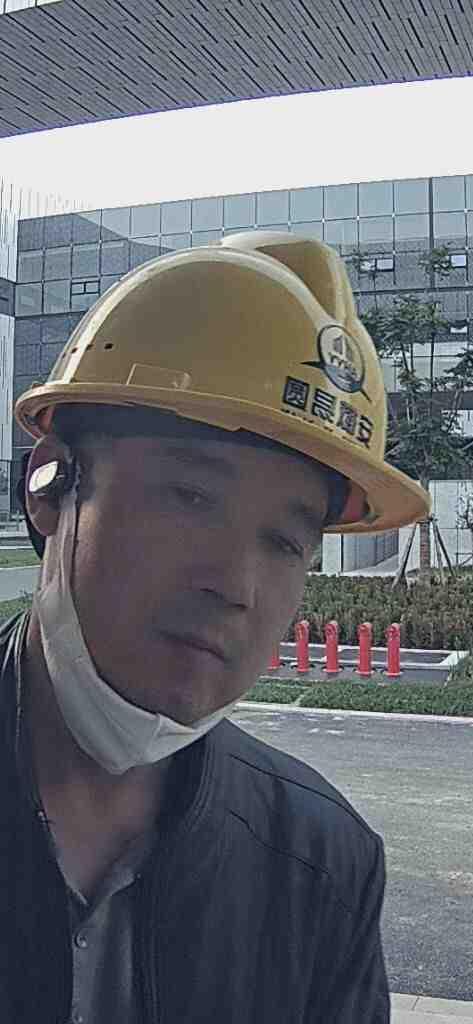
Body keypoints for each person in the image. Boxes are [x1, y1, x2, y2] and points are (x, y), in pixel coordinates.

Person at [2, 231, 429, 1022]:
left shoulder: (322, 868)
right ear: (51, 485)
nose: (235, 585)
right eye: (193, 499)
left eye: (285, 542)